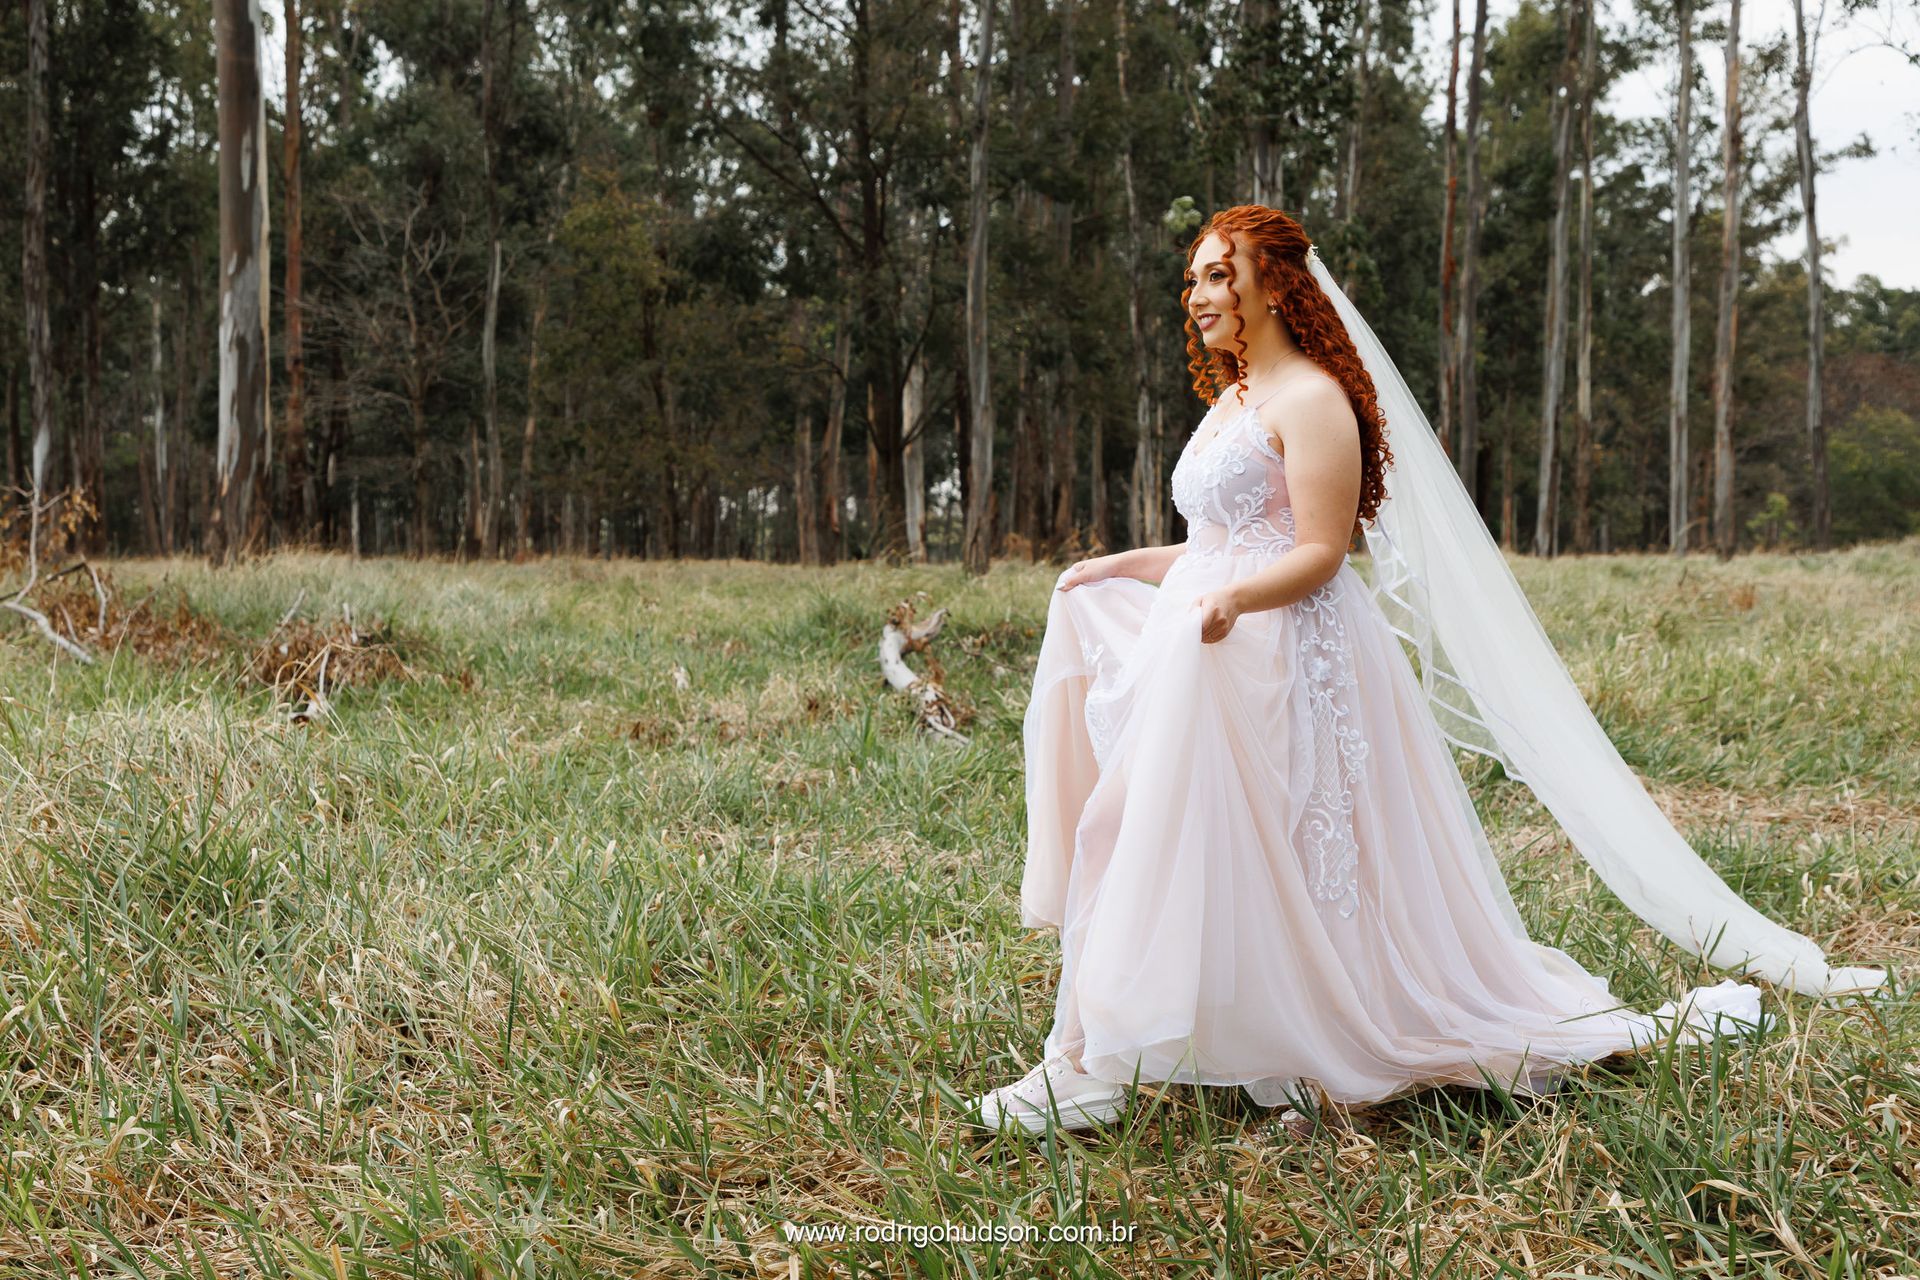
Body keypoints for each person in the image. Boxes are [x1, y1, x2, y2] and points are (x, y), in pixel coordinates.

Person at [965, 205, 1886, 1138]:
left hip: (1284, 650)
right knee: (1148, 830)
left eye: (1215, 274)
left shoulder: (1314, 399)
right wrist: (1121, 567)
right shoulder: (1234, 401)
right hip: (1208, 644)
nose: (1195, 295)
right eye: (1196, 277)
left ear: (1277, 284)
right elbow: (1216, 543)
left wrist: (1234, 604)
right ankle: (1118, 1044)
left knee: (1282, 851)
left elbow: (1321, 551)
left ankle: (1193, 1045)